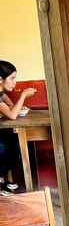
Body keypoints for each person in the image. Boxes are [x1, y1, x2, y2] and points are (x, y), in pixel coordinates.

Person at [0, 60, 36, 196]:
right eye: (12, 78)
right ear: (0, 79)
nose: (15, 82)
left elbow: (10, 106)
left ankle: (1, 179)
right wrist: (23, 95)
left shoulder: (0, 92)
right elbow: (12, 115)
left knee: (16, 142)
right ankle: (0, 180)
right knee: (15, 147)